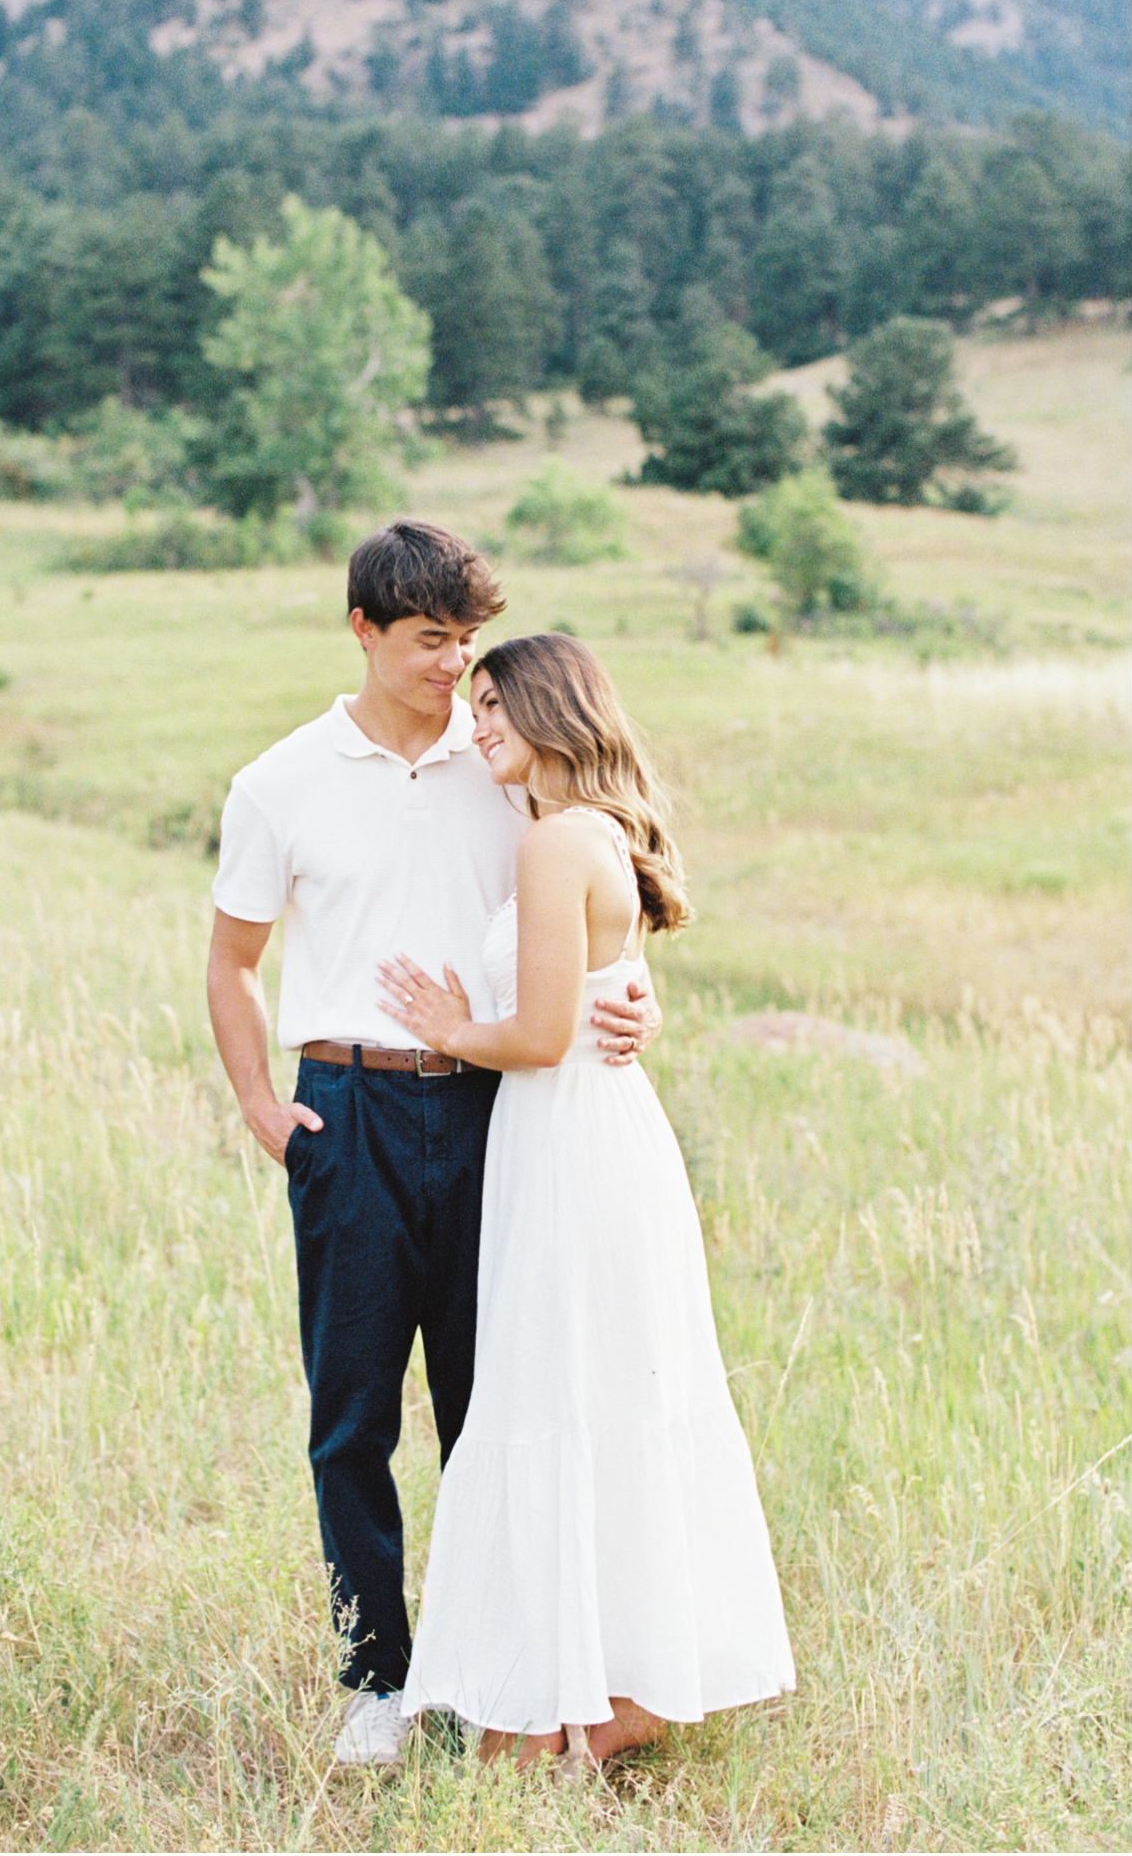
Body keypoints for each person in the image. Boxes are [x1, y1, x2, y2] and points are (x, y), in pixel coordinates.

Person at [206, 523, 660, 1768]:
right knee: (352, 1411)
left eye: (466, 640)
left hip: (487, 1111)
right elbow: (232, 962)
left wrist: (636, 995)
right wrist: (261, 1103)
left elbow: (602, 895)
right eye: (427, 640)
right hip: (342, 1113)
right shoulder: (278, 782)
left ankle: (495, 1669)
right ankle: (375, 1679)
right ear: (361, 628)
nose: (453, 665)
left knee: (494, 1397)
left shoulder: (501, 761)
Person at [380, 632, 795, 1769]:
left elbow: (541, 1033)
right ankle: (603, 1689)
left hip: (570, 1143)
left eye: (493, 703)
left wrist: (447, 1026)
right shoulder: (589, 833)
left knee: (550, 1390)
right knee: (586, 1387)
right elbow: (610, 990)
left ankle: (559, 1703)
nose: (476, 723)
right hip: (579, 1140)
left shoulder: (558, 839)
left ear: (551, 708)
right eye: (469, 705)